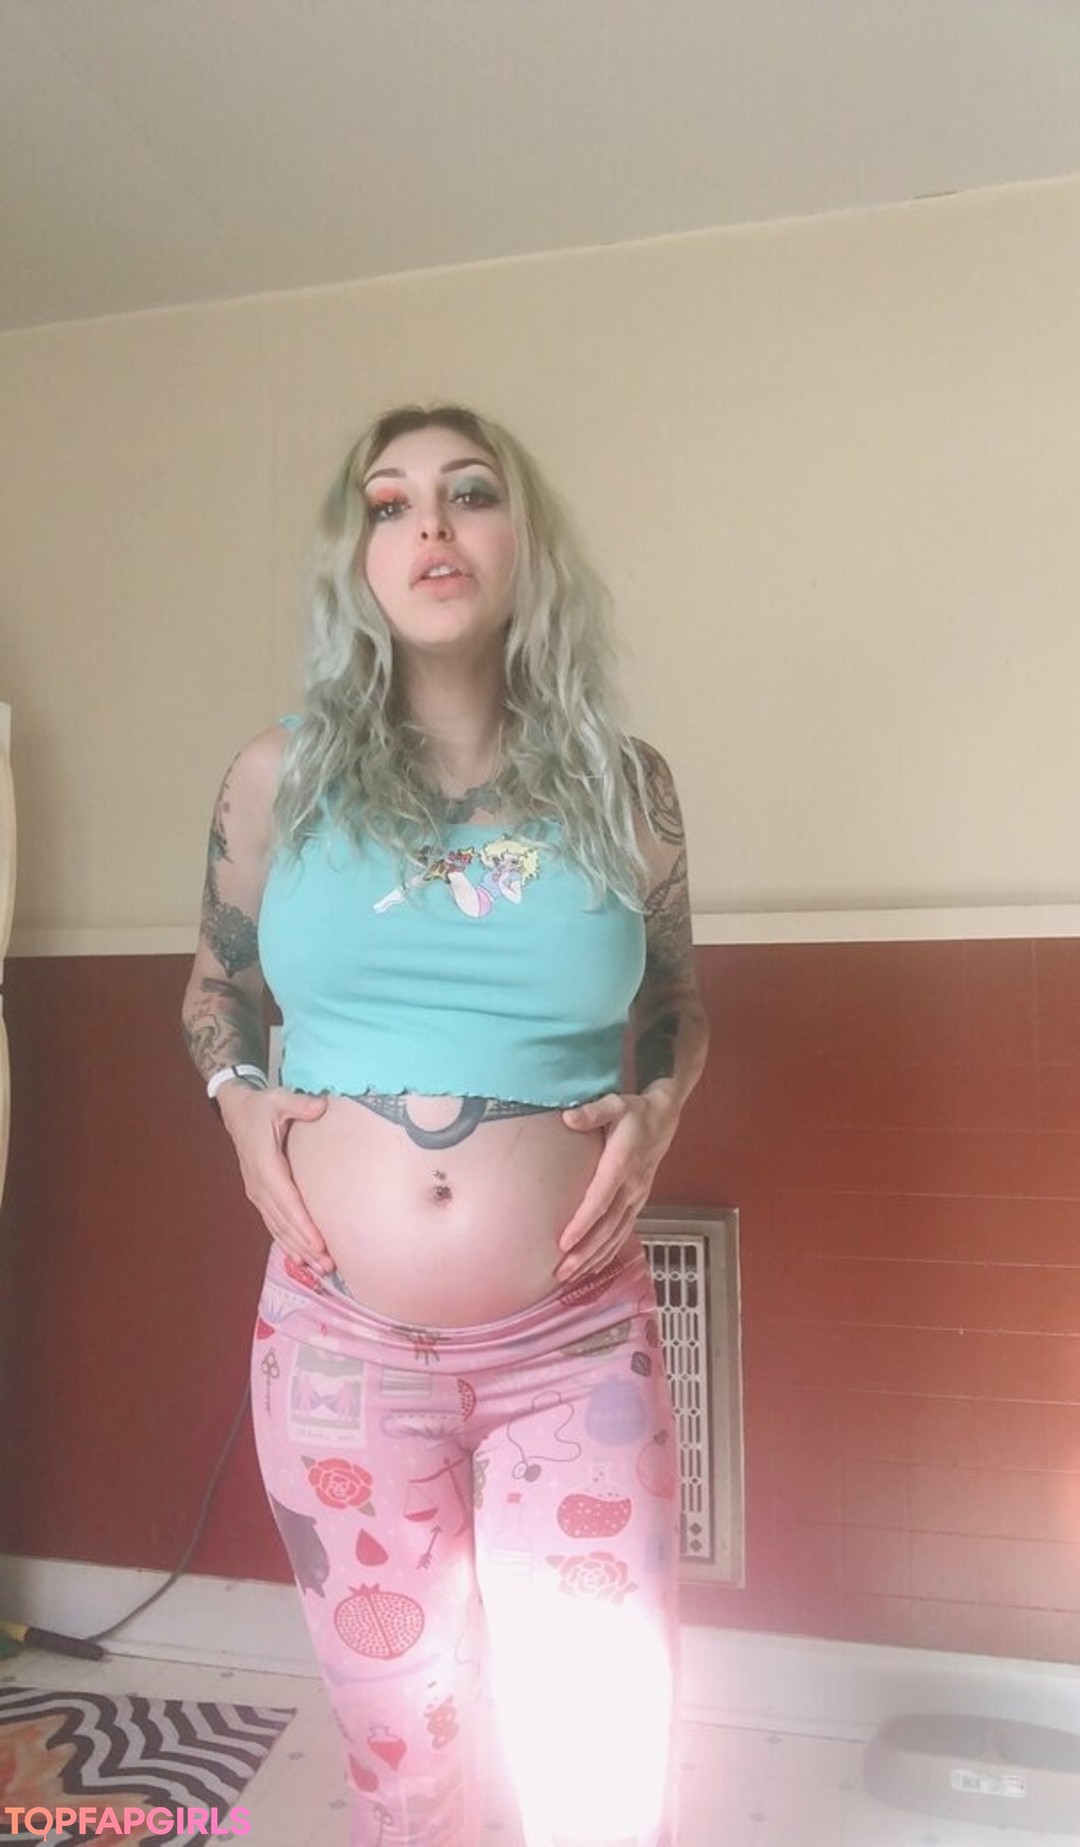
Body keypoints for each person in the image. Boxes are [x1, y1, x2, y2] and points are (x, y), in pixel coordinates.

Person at [181, 404, 709, 1847]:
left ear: (524, 540)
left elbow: (677, 1003)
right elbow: (214, 989)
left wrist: (660, 1109)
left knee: (598, 1773)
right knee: (404, 1772)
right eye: (390, 501)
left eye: (471, 493)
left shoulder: (627, 786)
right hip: (337, 1351)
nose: (430, 523)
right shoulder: (276, 781)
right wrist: (239, 1110)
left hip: (574, 1344)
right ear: (356, 558)